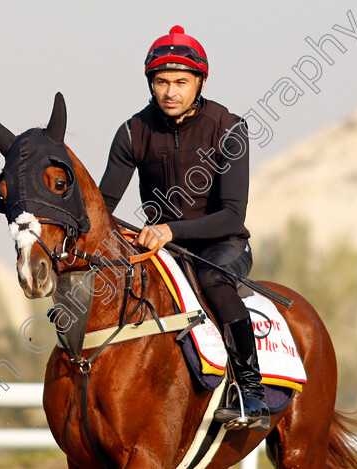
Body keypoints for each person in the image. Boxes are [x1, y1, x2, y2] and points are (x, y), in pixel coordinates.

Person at [98, 25, 269, 431]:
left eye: (180, 82)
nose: (170, 91)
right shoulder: (131, 132)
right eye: (161, 82)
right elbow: (104, 206)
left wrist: (170, 230)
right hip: (162, 248)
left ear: (200, 82)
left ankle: (251, 390)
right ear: (150, 84)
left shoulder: (229, 127)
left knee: (211, 279)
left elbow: (233, 214)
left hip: (223, 246)